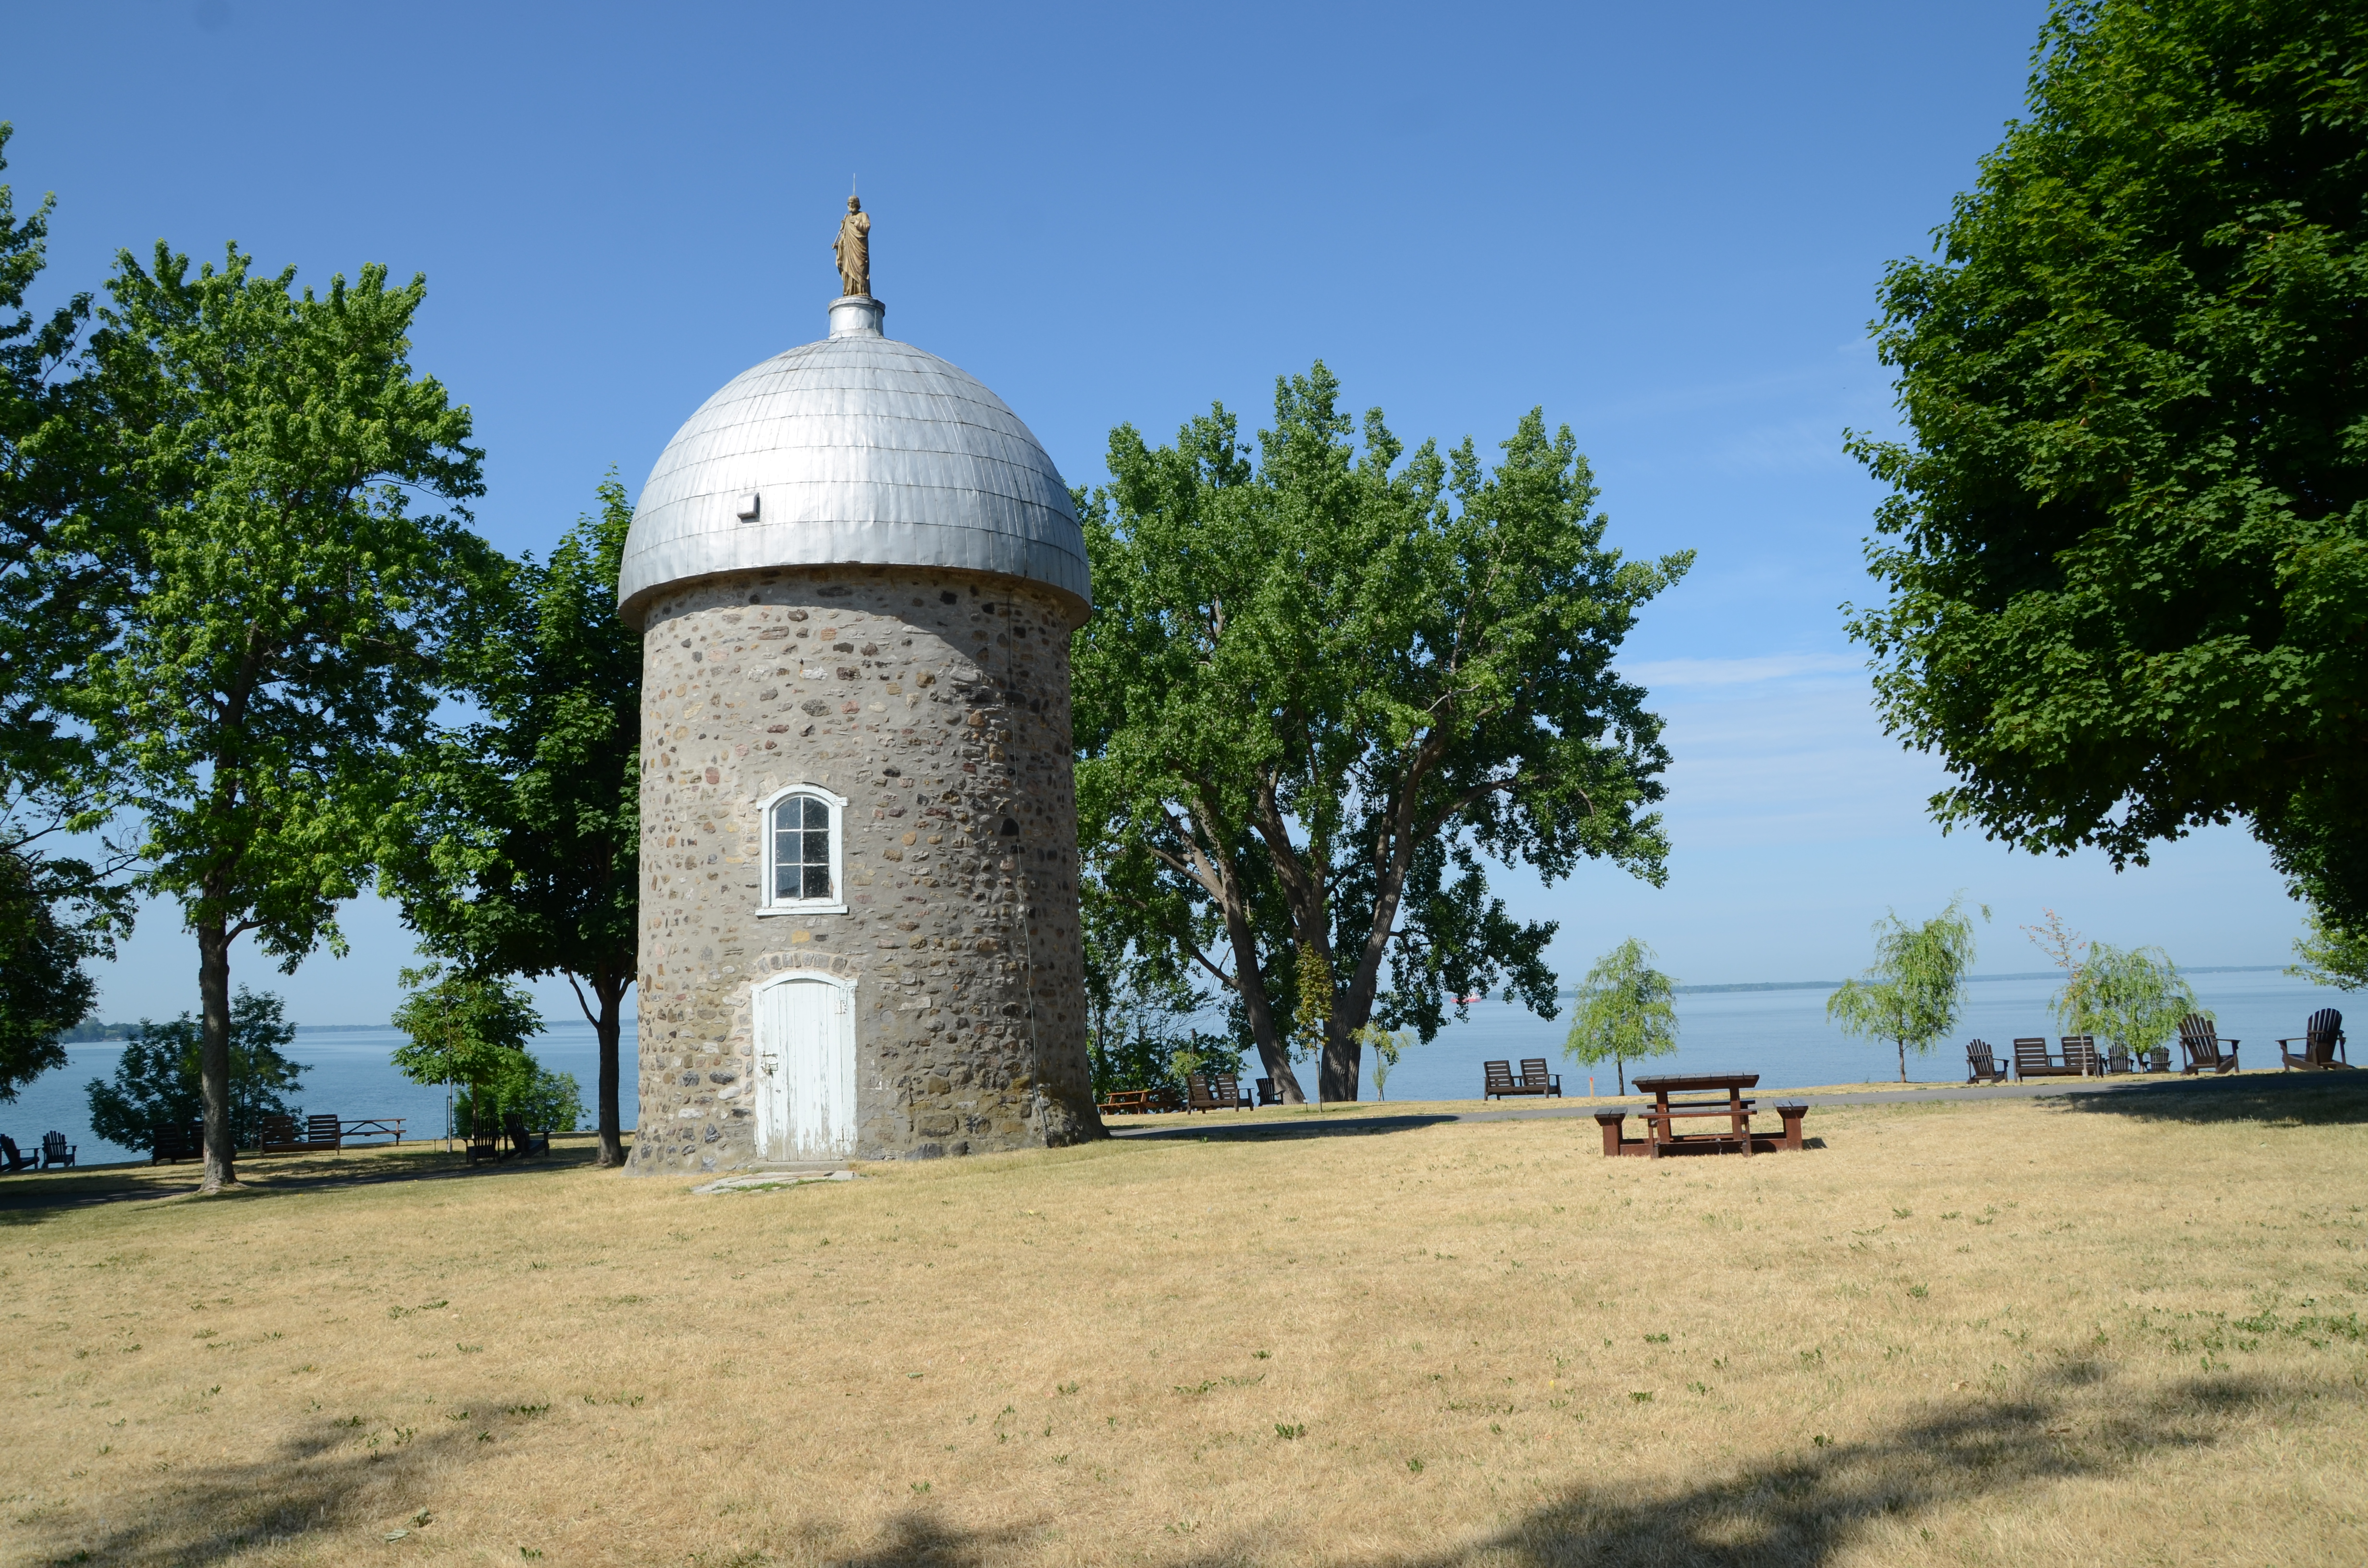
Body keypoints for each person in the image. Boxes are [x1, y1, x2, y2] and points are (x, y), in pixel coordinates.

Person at [834, 196, 870, 297]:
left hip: (859, 248)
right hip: (848, 249)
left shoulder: (863, 215)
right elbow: (844, 236)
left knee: (860, 268)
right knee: (847, 270)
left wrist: (857, 223)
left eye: (852, 203)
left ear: (857, 204)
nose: (850, 206)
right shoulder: (847, 218)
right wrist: (839, 245)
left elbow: (867, 227)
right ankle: (849, 291)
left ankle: (861, 291)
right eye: (849, 203)